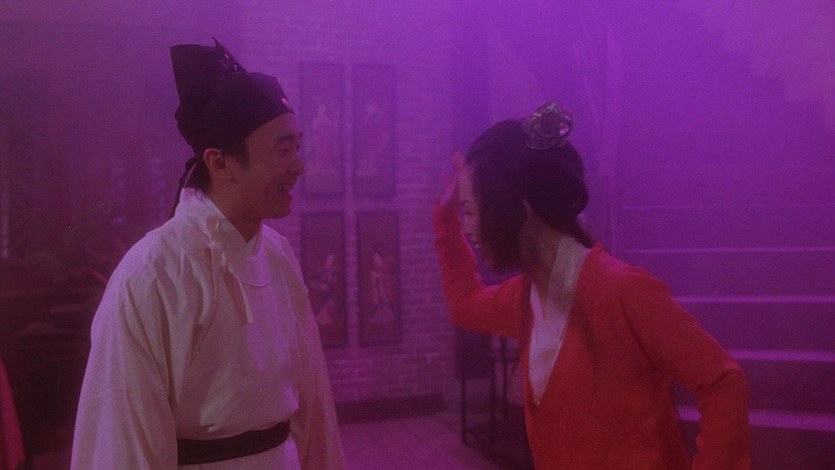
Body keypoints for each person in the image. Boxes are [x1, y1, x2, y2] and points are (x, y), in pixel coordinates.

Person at [71, 39, 345, 469]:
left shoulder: (278, 257)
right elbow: (123, 439)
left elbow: (313, 400)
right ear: (220, 163)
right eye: (282, 149)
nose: (298, 166)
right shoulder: (152, 274)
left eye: (298, 146)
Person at [434, 102, 751, 469]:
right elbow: (465, 304)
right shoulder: (526, 296)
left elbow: (722, 382)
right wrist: (446, 220)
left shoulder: (623, 291)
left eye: (470, 211)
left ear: (519, 211)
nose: (468, 227)